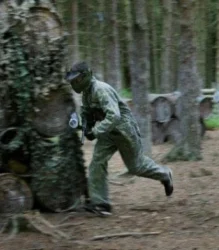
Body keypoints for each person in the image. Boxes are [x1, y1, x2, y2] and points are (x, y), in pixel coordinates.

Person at [65, 62, 174, 216]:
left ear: (86, 76)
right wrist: (85, 127)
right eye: (72, 81)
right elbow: (88, 113)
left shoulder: (101, 90)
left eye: (76, 80)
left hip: (124, 131)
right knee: (97, 162)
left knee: (136, 166)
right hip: (108, 133)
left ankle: (165, 174)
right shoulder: (87, 94)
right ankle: (101, 204)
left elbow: (114, 115)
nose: (74, 83)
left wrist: (95, 131)